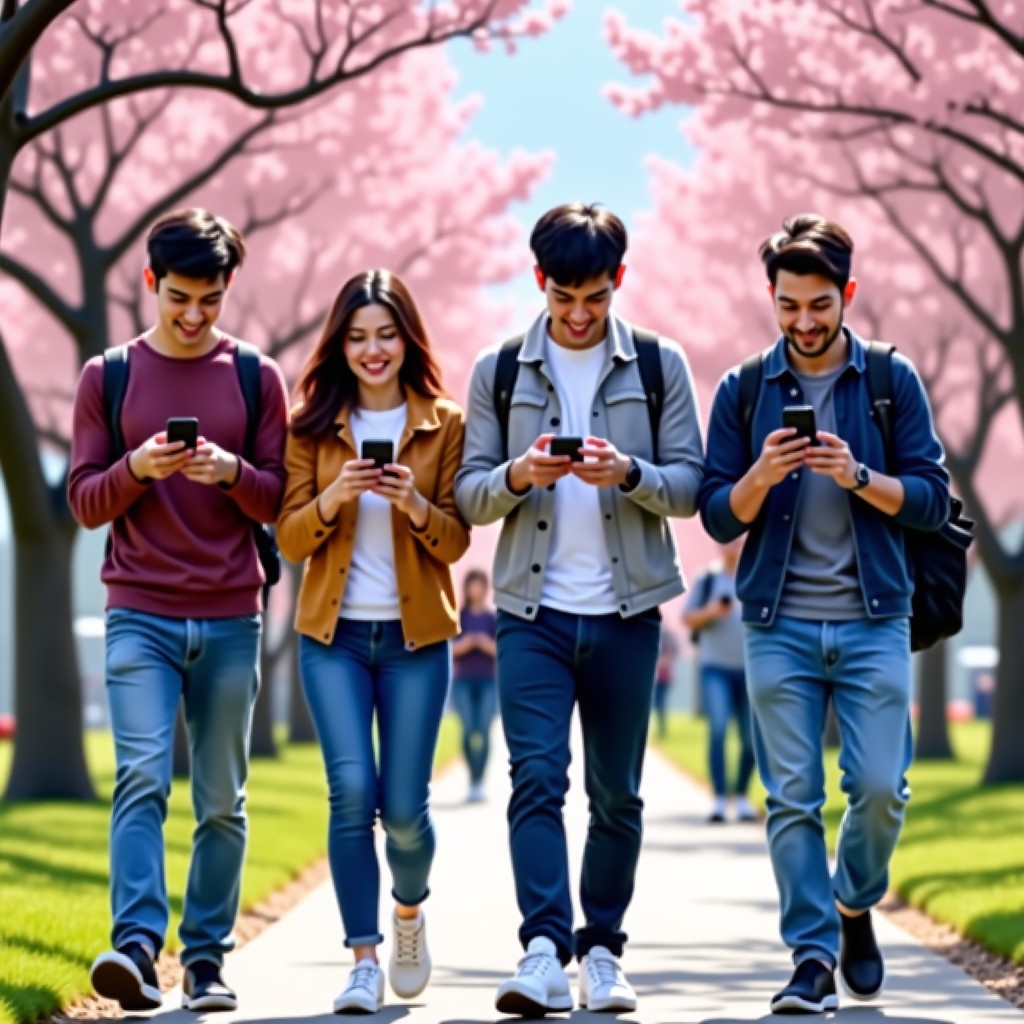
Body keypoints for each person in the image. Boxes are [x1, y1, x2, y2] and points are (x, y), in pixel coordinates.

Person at [455, 203, 704, 1016]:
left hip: (628, 615)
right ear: (540, 283)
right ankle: (541, 949)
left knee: (617, 794)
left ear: (617, 283)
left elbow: (691, 487)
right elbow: (469, 496)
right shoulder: (498, 369)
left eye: (594, 297)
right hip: (531, 614)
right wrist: (521, 475)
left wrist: (627, 474)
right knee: (535, 781)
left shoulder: (661, 365)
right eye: (564, 296)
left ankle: (602, 949)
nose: (578, 313)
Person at [698, 214, 948, 1014]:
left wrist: (859, 476)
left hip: (876, 617)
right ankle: (810, 960)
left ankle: (852, 903)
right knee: (792, 797)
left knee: (881, 788)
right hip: (778, 623)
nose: (803, 323)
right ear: (770, 299)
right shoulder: (744, 389)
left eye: (818, 306)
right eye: (787, 305)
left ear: (847, 294)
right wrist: (760, 478)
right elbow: (716, 515)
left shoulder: (887, 379)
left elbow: (934, 497)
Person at [68, 208, 289, 1013]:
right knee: (140, 778)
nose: (194, 317)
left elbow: (280, 498)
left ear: (228, 289)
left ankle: (205, 961)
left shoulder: (256, 377)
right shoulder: (110, 376)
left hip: (231, 618)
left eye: (211, 301)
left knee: (222, 799)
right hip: (140, 613)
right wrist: (137, 467)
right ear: (151, 284)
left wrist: (230, 471)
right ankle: (133, 948)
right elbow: (86, 503)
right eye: (179, 300)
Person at [276, 269, 470, 1015]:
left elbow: (455, 542)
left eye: (386, 335)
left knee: (406, 809)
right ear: (340, 345)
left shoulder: (444, 422)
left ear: (407, 338)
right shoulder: (310, 426)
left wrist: (413, 501)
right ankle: (362, 957)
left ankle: (409, 911)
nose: (373, 350)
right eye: (357, 338)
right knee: (351, 792)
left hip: (418, 640)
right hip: (335, 638)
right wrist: (335, 494)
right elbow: (292, 536)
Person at [681, 539, 757, 824]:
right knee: (718, 727)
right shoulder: (708, 579)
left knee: (751, 739)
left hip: (751, 670)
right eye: (729, 542)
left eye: (739, 542)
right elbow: (687, 618)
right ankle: (720, 799)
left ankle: (742, 796)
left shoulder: (755, 574)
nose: (734, 547)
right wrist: (711, 611)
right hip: (715, 668)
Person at [450, 568, 498, 803]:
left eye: (480, 585)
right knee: (469, 729)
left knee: (484, 729)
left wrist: (483, 642)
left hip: (488, 681)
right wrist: (469, 642)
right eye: (473, 584)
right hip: (463, 682)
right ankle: (472, 778)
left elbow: (500, 651)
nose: (476, 589)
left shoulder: (491, 619)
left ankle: (479, 781)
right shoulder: (459, 617)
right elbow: (450, 650)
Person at [651, 627, 678, 740]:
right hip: (655, 676)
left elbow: (672, 654)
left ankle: (662, 730)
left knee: (660, 704)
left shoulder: (667, 637)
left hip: (663, 677)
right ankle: (658, 729)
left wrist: (664, 662)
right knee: (656, 705)